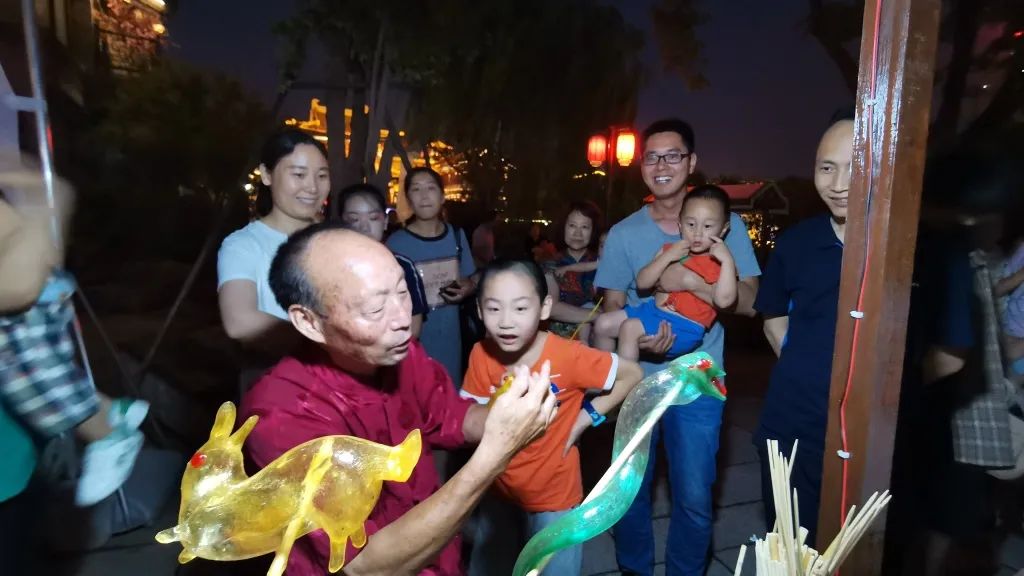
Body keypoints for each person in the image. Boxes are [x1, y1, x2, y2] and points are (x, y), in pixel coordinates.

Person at [240, 223, 558, 576]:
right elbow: (364, 565)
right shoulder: (280, 416)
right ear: (310, 322)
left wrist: (509, 410)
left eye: (403, 292)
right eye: (375, 309)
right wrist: (494, 456)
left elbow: (452, 417)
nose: (403, 319)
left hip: (438, 556)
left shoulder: (398, 353)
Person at [596, 118, 761, 576]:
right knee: (629, 492)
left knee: (693, 495)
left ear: (691, 162)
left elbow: (750, 303)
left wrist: (690, 283)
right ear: (642, 166)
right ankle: (634, 569)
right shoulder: (625, 233)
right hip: (637, 384)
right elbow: (613, 302)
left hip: (699, 380)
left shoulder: (724, 225)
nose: (661, 165)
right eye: (652, 157)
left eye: (673, 155)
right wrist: (641, 338)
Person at [460, 259, 643, 576]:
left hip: (555, 496)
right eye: (494, 308)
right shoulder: (481, 354)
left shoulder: (567, 355)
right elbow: (467, 419)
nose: (506, 322)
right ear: (479, 310)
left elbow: (632, 374)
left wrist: (585, 419)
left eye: (520, 308)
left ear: (544, 308)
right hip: (498, 489)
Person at [751, 111, 854, 543]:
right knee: (790, 544)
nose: (839, 183)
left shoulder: (911, 248)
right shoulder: (797, 242)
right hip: (792, 420)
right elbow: (773, 317)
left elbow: (945, 355)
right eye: (827, 168)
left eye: (855, 167)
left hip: (869, 432)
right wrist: (805, 368)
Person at [593, 185, 737, 362]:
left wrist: (728, 262)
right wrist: (667, 256)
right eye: (691, 224)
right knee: (602, 324)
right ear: (680, 225)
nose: (697, 233)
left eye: (707, 226)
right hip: (652, 311)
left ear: (723, 229)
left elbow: (724, 301)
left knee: (629, 328)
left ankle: (627, 377)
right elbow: (642, 283)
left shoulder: (719, 262)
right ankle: (603, 374)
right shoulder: (669, 250)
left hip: (685, 326)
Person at [217, 129, 330, 351]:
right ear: (266, 175)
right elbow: (239, 322)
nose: (313, 187)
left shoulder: (337, 239)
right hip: (273, 369)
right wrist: (329, 336)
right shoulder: (243, 245)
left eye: (322, 176)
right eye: (299, 175)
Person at [386, 167, 476, 388]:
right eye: (416, 189)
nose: (424, 195)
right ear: (409, 199)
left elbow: (472, 278)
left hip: (451, 344)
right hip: (411, 347)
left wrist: (469, 286)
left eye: (431, 188)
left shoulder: (457, 236)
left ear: (442, 196)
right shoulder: (395, 244)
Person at [327, 183, 429, 339]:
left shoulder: (402, 266)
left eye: (373, 218)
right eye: (354, 219)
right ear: (342, 224)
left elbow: (414, 327)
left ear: (385, 221)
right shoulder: (330, 268)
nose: (364, 227)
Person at [544, 201, 604, 341]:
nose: (577, 233)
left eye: (585, 227)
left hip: (598, 342)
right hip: (559, 342)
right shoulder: (551, 264)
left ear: (593, 231)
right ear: (563, 228)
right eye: (572, 225)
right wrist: (599, 316)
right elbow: (552, 308)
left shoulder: (601, 263)